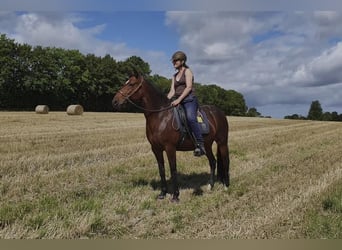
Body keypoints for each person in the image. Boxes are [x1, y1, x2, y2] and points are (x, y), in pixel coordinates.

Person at [167, 51, 206, 157]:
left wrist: (179, 100)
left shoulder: (188, 71)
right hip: (177, 99)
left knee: (190, 118)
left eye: (176, 60)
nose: (174, 62)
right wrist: (165, 101)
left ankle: (200, 144)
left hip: (189, 100)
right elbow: (172, 91)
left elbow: (188, 88)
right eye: (173, 61)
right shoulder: (174, 76)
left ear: (182, 61)